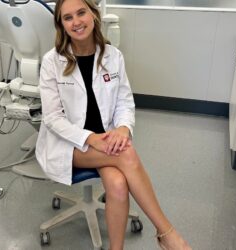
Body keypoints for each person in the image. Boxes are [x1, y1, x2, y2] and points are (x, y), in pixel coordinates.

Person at [35, 0, 192, 249]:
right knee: (127, 154)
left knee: (118, 185)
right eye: (68, 17)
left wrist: (122, 129)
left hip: (105, 140)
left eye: (81, 12)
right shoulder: (53, 61)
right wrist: (90, 138)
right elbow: (52, 118)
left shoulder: (112, 56)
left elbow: (125, 103)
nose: (76, 22)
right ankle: (168, 234)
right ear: (61, 24)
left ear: (94, 14)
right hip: (69, 144)